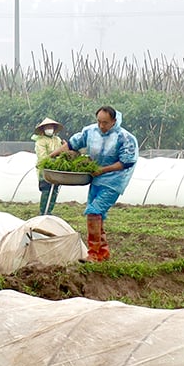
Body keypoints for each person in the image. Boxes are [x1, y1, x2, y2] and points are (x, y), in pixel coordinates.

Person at [49, 105, 138, 261]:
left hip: (115, 179)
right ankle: (103, 253)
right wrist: (52, 156)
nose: (101, 126)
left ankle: (94, 254)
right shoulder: (90, 131)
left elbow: (127, 162)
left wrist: (103, 170)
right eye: (99, 122)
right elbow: (72, 144)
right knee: (98, 215)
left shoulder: (125, 137)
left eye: (105, 123)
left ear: (114, 121)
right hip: (96, 178)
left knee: (94, 211)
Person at [32, 117, 65, 215]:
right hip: (45, 169)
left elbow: (61, 152)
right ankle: (43, 212)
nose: (49, 129)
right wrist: (54, 157)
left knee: (54, 190)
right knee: (46, 190)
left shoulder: (57, 139)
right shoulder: (40, 141)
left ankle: (49, 211)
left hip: (56, 169)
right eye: (47, 127)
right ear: (43, 129)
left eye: (51, 127)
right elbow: (43, 158)